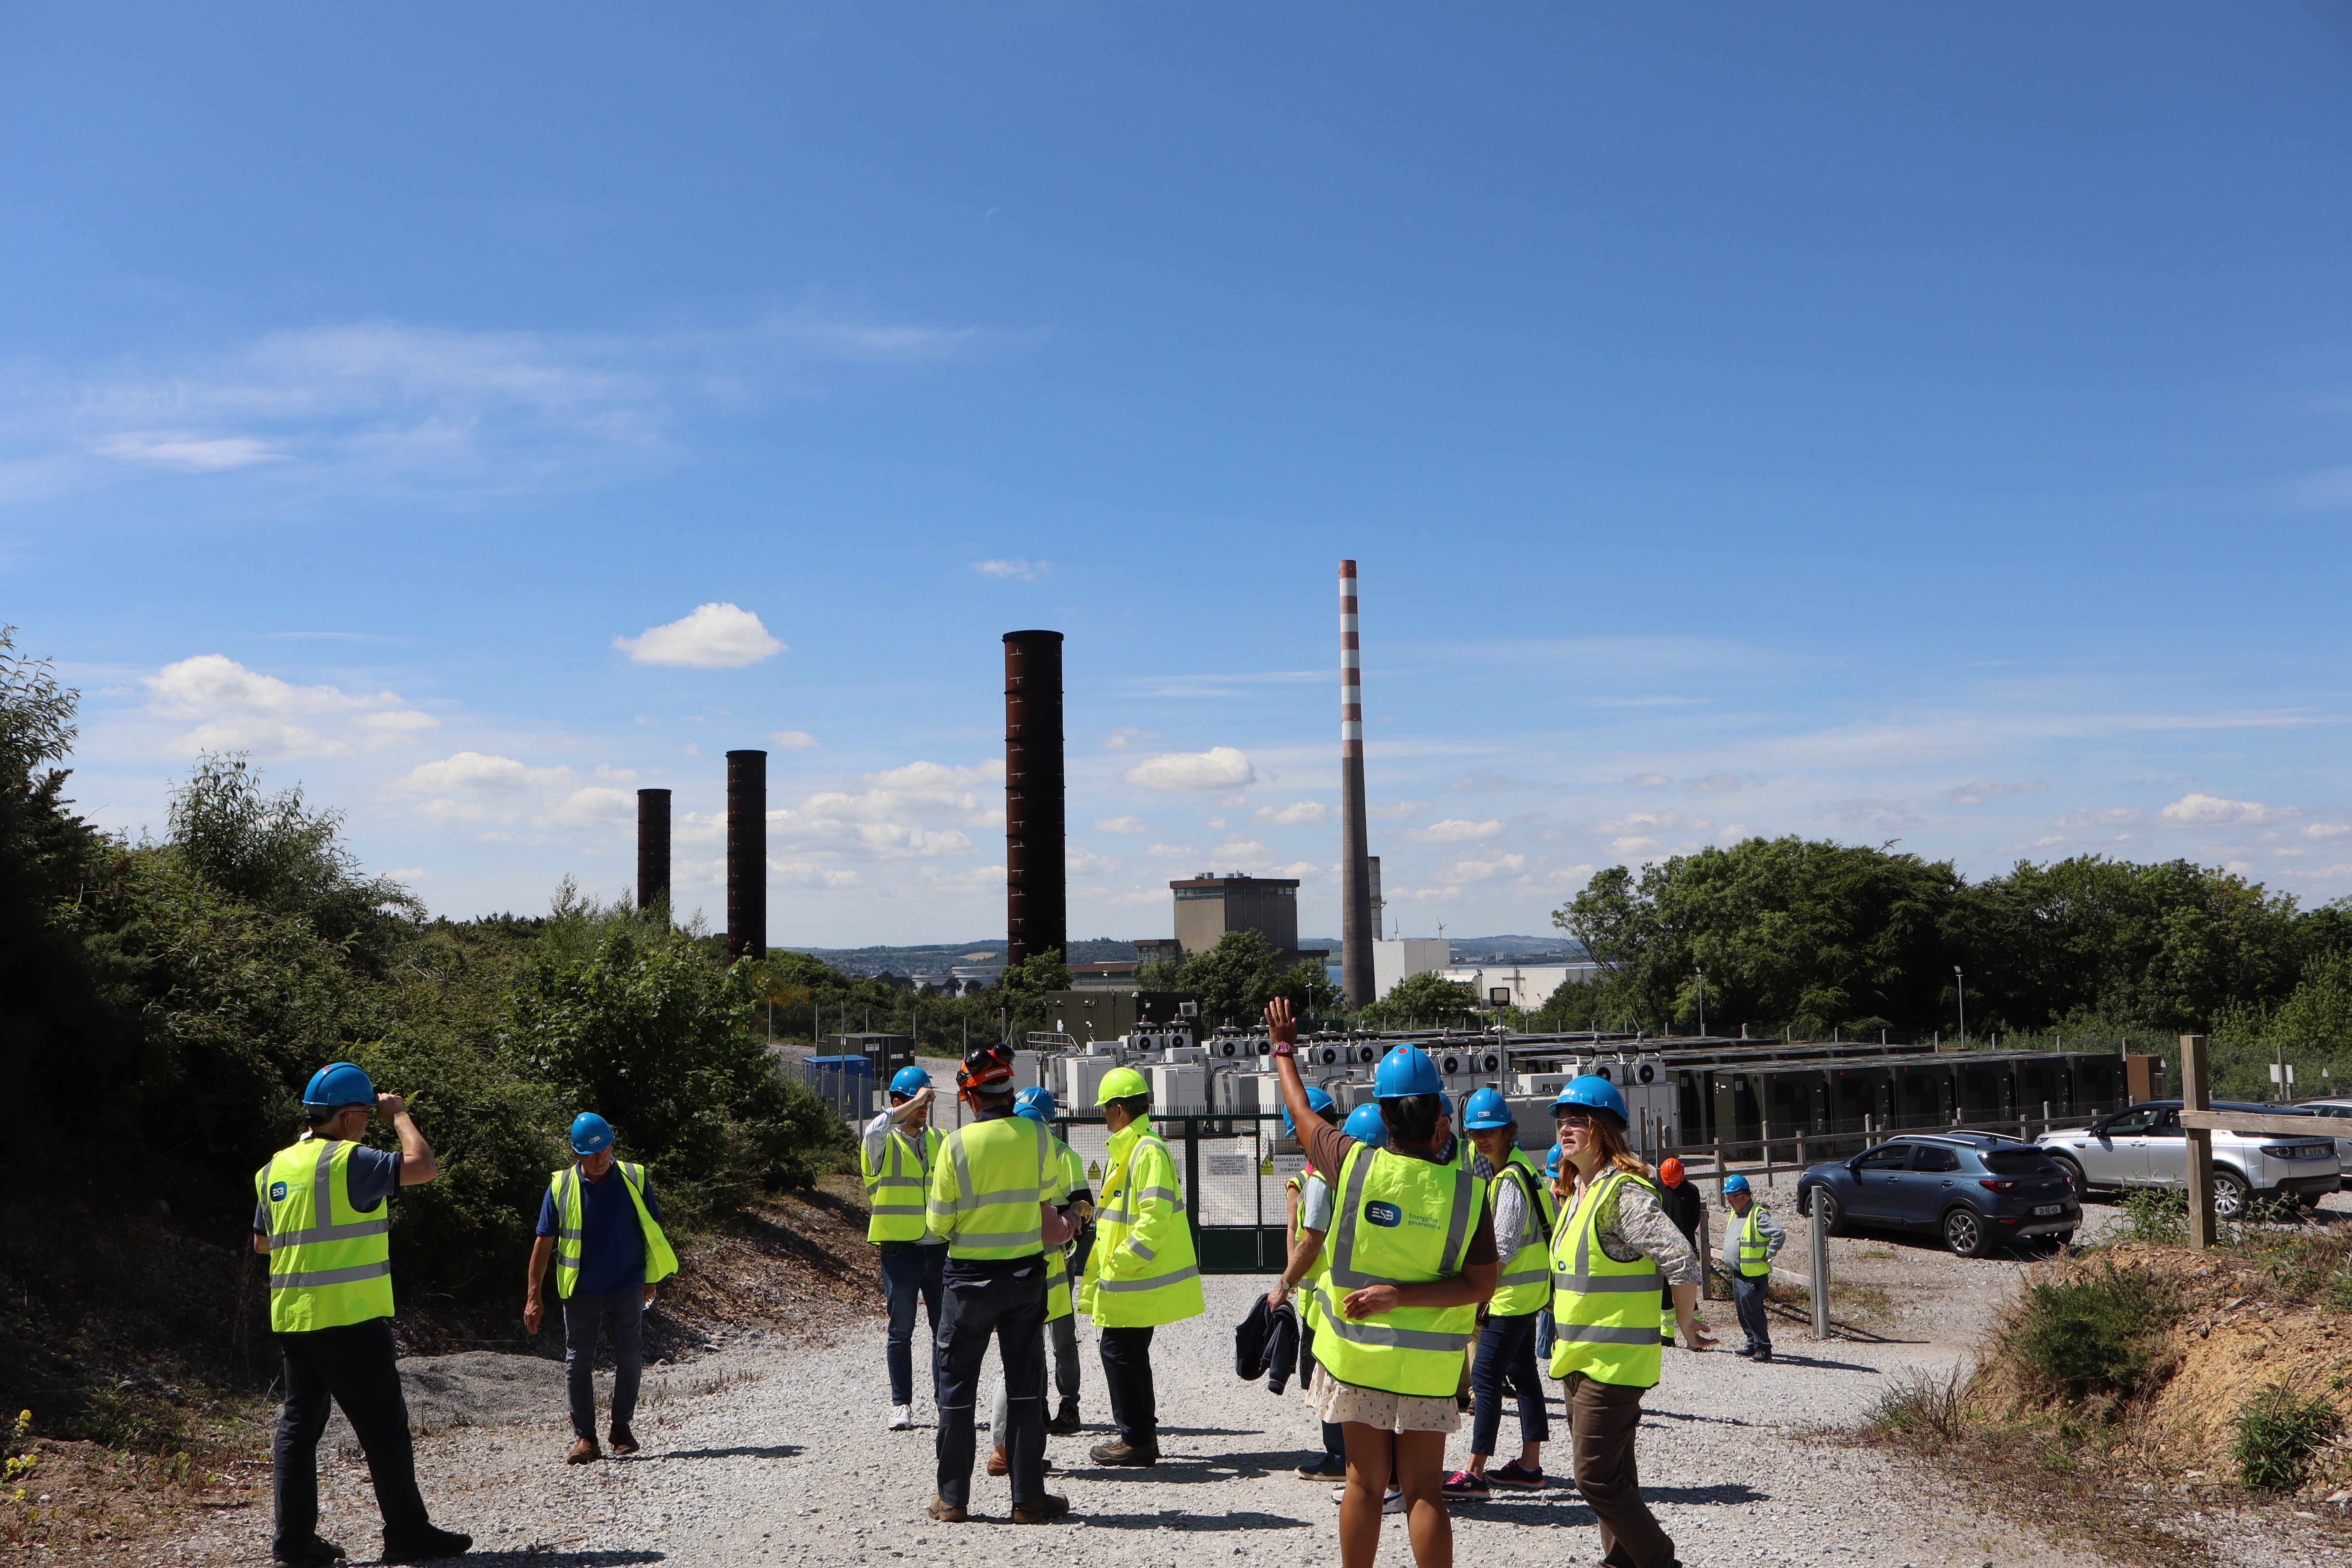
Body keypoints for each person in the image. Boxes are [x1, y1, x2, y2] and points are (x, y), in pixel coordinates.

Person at [1268, 999, 1499, 1568]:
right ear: (1439, 1114)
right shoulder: (1467, 1193)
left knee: (1364, 1484)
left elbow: (1301, 1112)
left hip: (1358, 1359)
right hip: (1429, 1366)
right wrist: (1406, 1296)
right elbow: (1482, 1285)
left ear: (1383, 1115)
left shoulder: (1352, 1164)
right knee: (1424, 1491)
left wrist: (1283, 1048)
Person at [252, 1063, 472, 1566]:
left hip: (295, 1318)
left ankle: (294, 1542)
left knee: (298, 1428)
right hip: (349, 1317)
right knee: (383, 1427)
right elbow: (422, 1165)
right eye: (367, 1116)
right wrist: (400, 1115)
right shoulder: (350, 1160)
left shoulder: (273, 1168)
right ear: (349, 1117)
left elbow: (262, 1243)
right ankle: (407, 1533)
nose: (369, 1125)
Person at [1548, 1076, 1713, 1568]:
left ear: (1604, 1129)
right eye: (1562, 1120)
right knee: (1616, 1471)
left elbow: (1681, 1257)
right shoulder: (1579, 1192)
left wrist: (1685, 1321)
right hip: (1579, 1359)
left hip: (1614, 1364)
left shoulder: (1622, 1194)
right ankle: (1621, 1561)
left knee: (1594, 1477)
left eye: (1578, 1120)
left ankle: (1660, 1561)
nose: (1565, 1127)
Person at [925, 1044, 1077, 1524]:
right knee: (1025, 1388)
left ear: (971, 1096)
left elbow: (938, 1224)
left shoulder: (955, 1146)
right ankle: (1028, 1498)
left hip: (968, 1283)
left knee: (957, 1389)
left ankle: (953, 1499)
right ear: (1011, 1089)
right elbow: (1046, 1204)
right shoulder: (1037, 1137)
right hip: (1024, 1279)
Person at [522, 1112, 677, 1463]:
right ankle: (585, 1438)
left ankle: (621, 1428)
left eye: (605, 1149)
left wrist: (650, 1279)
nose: (601, 1158)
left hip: (627, 1284)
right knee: (578, 1362)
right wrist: (533, 1297)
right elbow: (543, 1243)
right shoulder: (561, 1187)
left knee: (630, 1355)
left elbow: (651, 1232)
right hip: (581, 1290)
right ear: (576, 1153)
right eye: (592, 1153)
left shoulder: (634, 1177)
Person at [1077, 1064, 1205, 1467]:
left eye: (1104, 1108)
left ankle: (1136, 1440)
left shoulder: (1146, 1150)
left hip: (1131, 1277)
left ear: (1119, 1109)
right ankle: (1142, 1436)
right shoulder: (1134, 1148)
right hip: (1128, 1278)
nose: (1102, 1116)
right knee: (1128, 1353)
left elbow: (1154, 1218)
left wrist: (1120, 1262)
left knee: (1118, 1352)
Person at [1444, 1087, 1555, 1500]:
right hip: (1529, 1296)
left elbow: (1503, 1250)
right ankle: (1529, 1466)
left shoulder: (1509, 1180)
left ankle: (1475, 1471)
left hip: (1508, 1298)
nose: (1481, 1139)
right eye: (1474, 1132)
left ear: (1508, 1130)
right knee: (1524, 1374)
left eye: (1489, 1131)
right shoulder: (1526, 1168)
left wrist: (1478, 1297)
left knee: (1486, 1376)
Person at [986, 1087, 1093, 1472]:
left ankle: (1067, 1407)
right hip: (1032, 1259)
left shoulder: (1064, 1156)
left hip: (1051, 1258)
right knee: (1031, 1347)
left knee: (1058, 1338)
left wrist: (1071, 1227)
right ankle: (1039, 1411)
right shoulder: (1016, 1154)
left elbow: (1084, 1204)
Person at [1266, 1085, 1347, 1481]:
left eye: (1298, 1133)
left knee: (1328, 1377)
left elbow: (1310, 1240)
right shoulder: (1352, 1166)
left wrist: (1284, 1284)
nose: (1297, 1143)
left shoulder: (1320, 1179)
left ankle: (1339, 1456)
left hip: (1324, 1300)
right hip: (1344, 1293)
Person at [862, 1064, 946, 1432]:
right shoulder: (882, 1142)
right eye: (917, 1103)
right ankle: (902, 1405)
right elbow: (875, 1128)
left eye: (927, 1103)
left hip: (939, 1248)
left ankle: (946, 1403)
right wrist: (911, 1103)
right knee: (901, 1332)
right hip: (900, 1251)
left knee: (945, 1332)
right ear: (898, 1102)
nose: (923, 1109)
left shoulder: (940, 1140)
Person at [1720, 1174, 1787, 1363]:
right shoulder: (1736, 1212)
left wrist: (1770, 1253)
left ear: (1741, 1196)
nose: (1728, 1201)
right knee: (1743, 1312)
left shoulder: (1758, 1214)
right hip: (1738, 1273)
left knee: (1753, 1312)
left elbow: (1779, 1234)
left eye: (1730, 1197)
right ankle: (1752, 1344)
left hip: (1753, 1275)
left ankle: (1764, 1348)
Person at [1654, 1158, 1703, 1348]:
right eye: (1670, 1183)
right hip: (1662, 1250)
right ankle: (1667, 1336)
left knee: (1687, 1293)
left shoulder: (1692, 1191)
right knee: (1665, 1293)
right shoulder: (1656, 1189)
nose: (1673, 1185)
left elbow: (1694, 1221)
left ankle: (1694, 1336)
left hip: (1685, 1250)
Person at [1533, 1145, 1561, 1363]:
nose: (1556, 1184)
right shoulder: (1552, 1194)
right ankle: (1544, 1348)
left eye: (1558, 1179)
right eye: (1554, 1179)